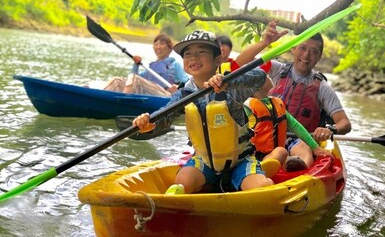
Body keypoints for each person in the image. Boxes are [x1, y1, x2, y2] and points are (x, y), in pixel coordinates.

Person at [132, 29, 281, 194]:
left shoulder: (231, 84)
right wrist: (148, 121)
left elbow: (260, 77)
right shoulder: (184, 93)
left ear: (217, 59)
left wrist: (228, 81)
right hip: (204, 161)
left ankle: (258, 173)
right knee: (183, 181)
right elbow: (165, 115)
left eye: (201, 52)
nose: (193, 58)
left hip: (240, 161)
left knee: (260, 188)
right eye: (187, 54)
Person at [236, 22, 352, 171]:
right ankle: (268, 165)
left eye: (313, 51)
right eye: (302, 48)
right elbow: (239, 64)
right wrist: (265, 42)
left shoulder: (323, 88)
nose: (306, 55)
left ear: (319, 57)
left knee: (303, 146)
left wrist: (331, 129)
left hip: (300, 138)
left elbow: (344, 123)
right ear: (293, 48)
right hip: (264, 136)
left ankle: (295, 165)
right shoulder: (274, 69)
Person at [243, 77, 333, 167]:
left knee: (282, 153)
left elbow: (295, 126)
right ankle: (261, 169)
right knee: (281, 152)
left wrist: (315, 148)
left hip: (275, 154)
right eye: (264, 76)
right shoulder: (247, 107)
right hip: (254, 155)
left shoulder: (275, 104)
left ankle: (293, 166)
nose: (268, 76)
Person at [103, 34, 189, 96]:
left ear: (170, 48)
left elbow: (187, 83)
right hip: (150, 93)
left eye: (162, 44)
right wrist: (135, 65)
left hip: (167, 95)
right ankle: (101, 98)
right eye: (156, 44)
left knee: (135, 78)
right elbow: (132, 79)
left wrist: (178, 88)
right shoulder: (151, 68)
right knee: (116, 81)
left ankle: (121, 101)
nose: (158, 47)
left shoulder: (175, 65)